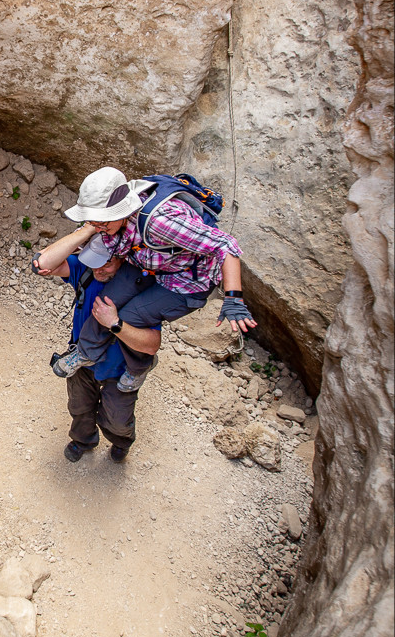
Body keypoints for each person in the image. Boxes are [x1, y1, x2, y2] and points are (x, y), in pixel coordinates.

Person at [51, 167, 257, 389]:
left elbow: (225, 245)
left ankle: (139, 367)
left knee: (129, 317)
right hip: (147, 263)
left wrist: (234, 298)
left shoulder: (161, 221)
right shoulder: (109, 221)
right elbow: (60, 255)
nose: (97, 227)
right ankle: (84, 352)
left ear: (120, 209)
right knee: (106, 300)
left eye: (102, 222)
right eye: (94, 221)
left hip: (185, 282)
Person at [32, 228, 161, 463]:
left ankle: (121, 441)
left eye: (107, 263)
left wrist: (115, 324)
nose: (99, 269)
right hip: (80, 363)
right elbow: (40, 264)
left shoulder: (141, 286)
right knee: (79, 407)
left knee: (118, 419)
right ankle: (83, 440)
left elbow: (152, 345)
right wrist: (90, 228)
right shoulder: (85, 271)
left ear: (123, 258)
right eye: (95, 262)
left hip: (121, 370)